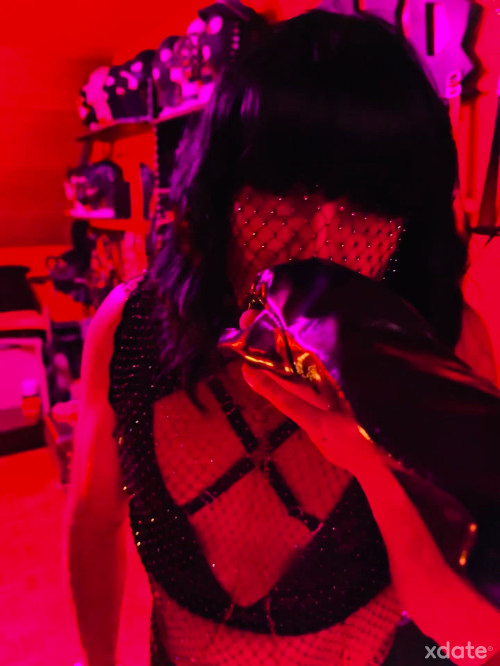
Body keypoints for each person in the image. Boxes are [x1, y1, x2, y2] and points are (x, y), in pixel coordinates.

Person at [66, 9, 500, 666]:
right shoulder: (133, 332)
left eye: (366, 208)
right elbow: (94, 519)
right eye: (283, 195)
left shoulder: (443, 344)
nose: (321, 242)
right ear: (222, 192)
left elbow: (477, 642)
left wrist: (374, 462)